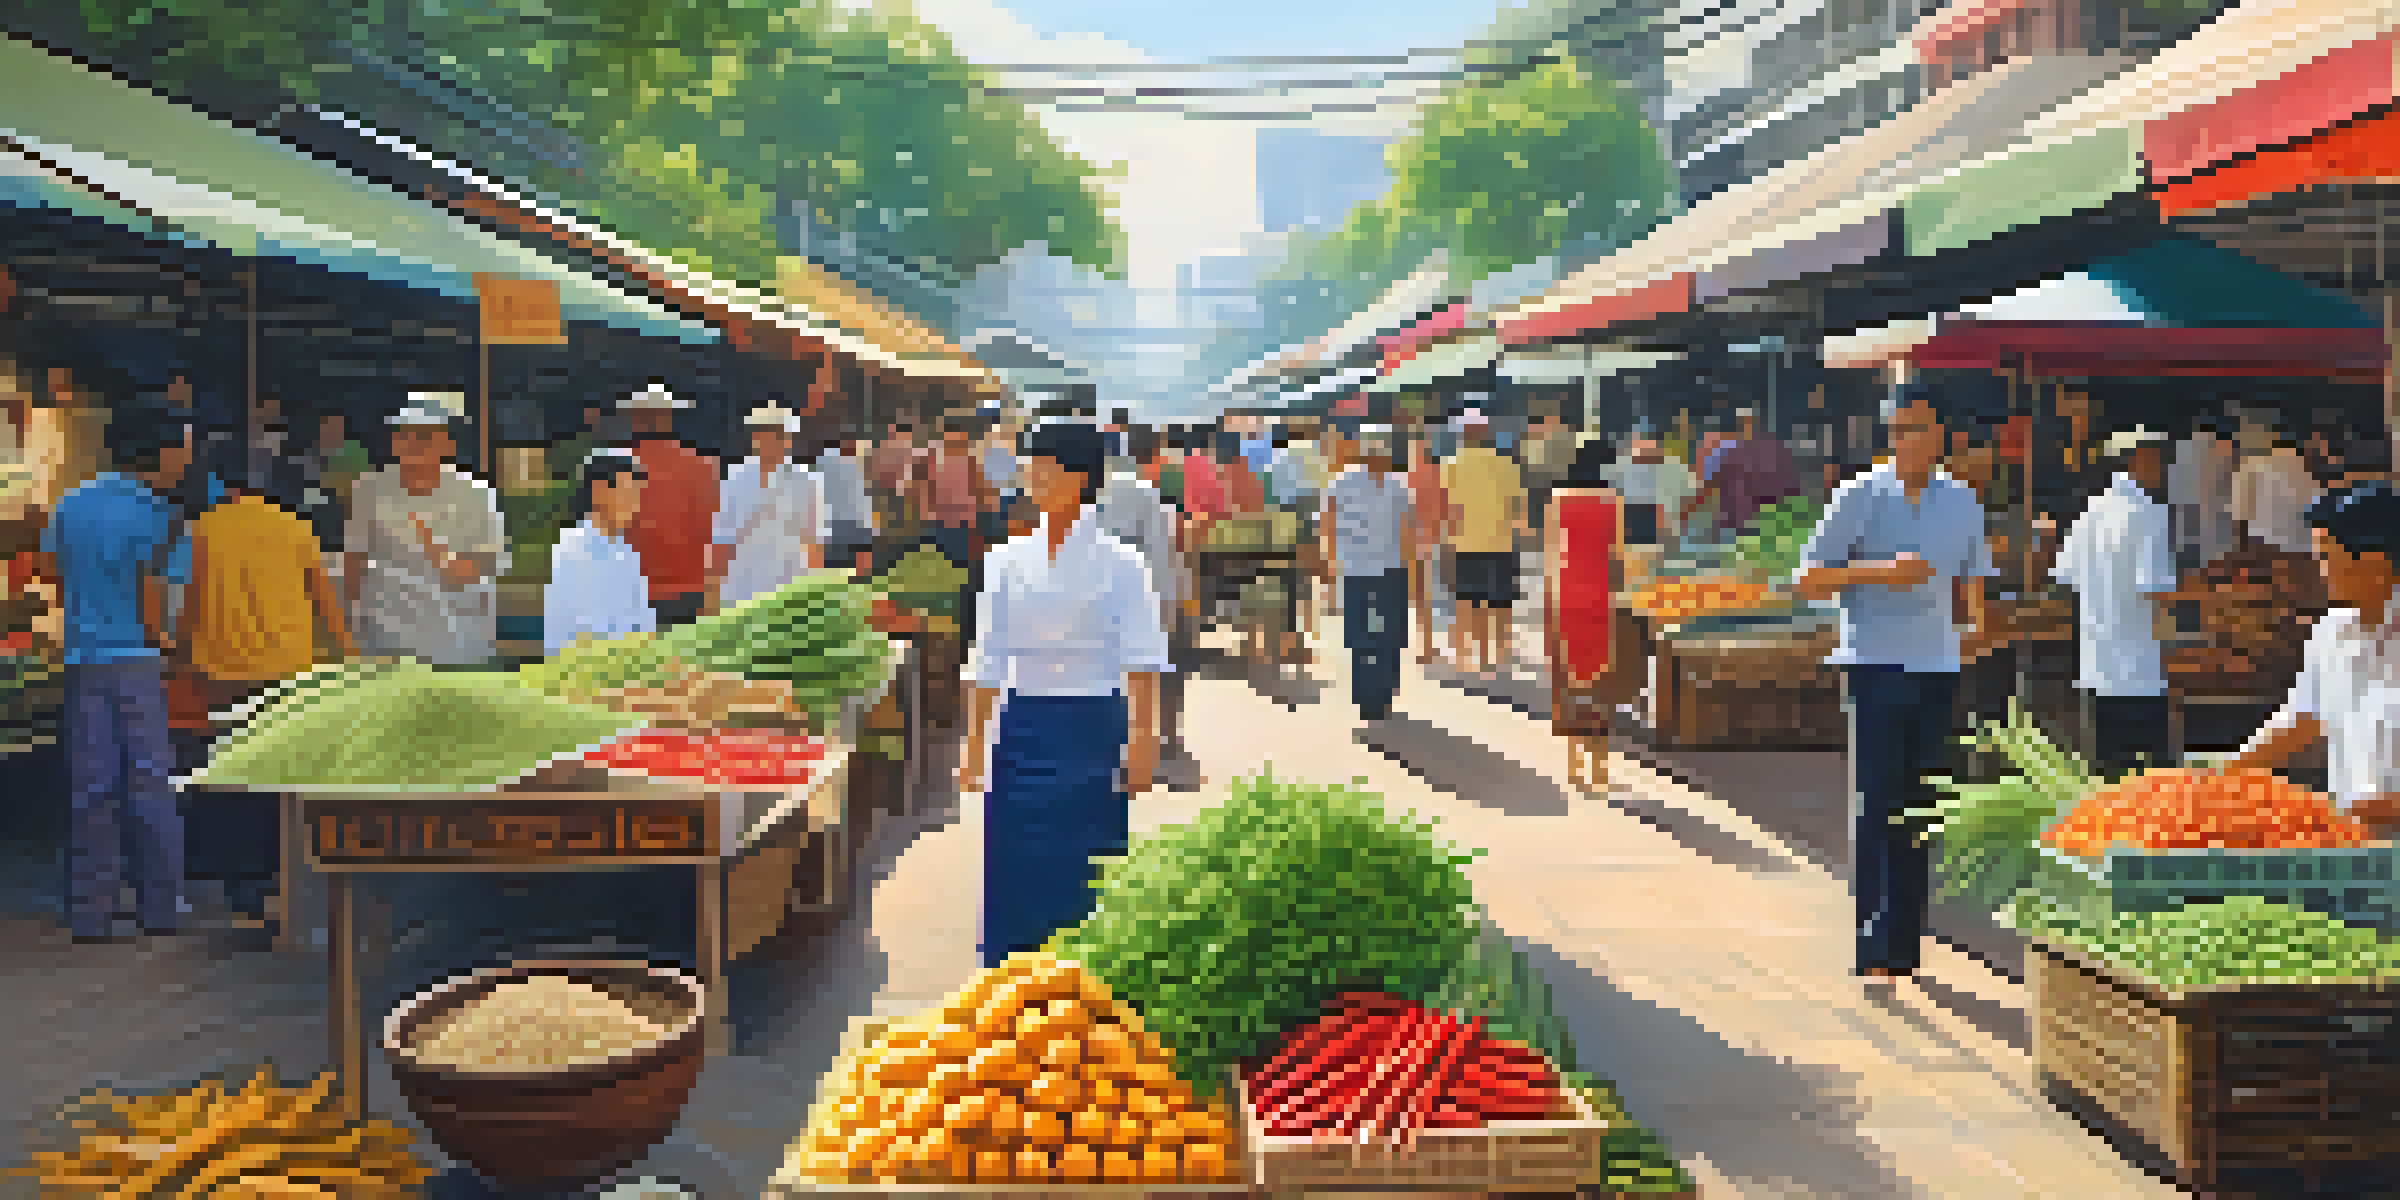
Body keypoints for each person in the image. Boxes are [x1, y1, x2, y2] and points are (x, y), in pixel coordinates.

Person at [1791, 392, 1995, 983]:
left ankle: (1905, 946)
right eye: (1898, 430)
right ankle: (1873, 945)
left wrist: (1976, 628)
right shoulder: (1860, 495)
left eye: (1917, 429)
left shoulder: (1961, 501)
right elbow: (1807, 579)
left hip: (1937, 669)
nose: (1906, 440)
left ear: (1939, 436)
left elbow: (1973, 578)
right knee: (1878, 803)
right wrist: (1879, 572)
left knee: (1920, 809)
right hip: (1875, 665)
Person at [956, 420, 1168, 967]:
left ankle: (1087, 989)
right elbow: (987, 658)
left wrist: (1144, 738)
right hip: (1022, 730)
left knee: (1088, 868)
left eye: (1039, 464)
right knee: (1014, 861)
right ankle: (1010, 990)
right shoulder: (1005, 560)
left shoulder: (1123, 564)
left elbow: (1142, 658)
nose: (1029, 474)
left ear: (1076, 477)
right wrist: (975, 742)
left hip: (1094, 732)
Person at [179, 460, 355, 925]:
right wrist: (349, 654)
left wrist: (181, 656)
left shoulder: (199, 531)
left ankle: (237, 884)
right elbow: (324, 601)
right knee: (275, 779)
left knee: (230, 776)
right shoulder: (294, 530)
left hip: (219, 669)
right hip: (284, 669)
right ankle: (274, 882)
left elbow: (187, 600)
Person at [42, 416, 193, 941]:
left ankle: (90, 907)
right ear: (159, 453)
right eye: (182, 449)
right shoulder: (163, 517)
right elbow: (155, 600)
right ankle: (161, 905)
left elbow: (51, 570)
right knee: (150, 781)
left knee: (90, 781)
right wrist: (167, 644)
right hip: (136, 658)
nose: (186, 461)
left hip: (83, 658)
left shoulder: (72, 501)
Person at [2222, 482, 2400, 833]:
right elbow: (2302, 720)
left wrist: (2379, 811)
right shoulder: (2331, 631)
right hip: (2351, 842)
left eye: (2327, 558)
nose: (2320, 571)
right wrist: (2228, 770)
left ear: (2375, 565)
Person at [344, 401, 508, 666]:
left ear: (447, 445)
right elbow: (354, 561)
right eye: (404, 436)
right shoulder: (369, 490)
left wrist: (437, 552)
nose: (413, 446)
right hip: (386, 644)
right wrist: (350, 629)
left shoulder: (477, 493)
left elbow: (482, 568)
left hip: (459, 645)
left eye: (424, 437)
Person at [2054, 429, 2178, 777]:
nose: (2162, 467)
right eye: (2158, 458)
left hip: (2097, 664)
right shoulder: (2149, 514)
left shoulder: (2090, 511)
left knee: (2107, 778)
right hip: (2138, 667)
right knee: (2153, 781)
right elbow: (2154, 587)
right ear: (2140, 460)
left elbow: (2066, 576)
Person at [1097, 428, 1191, 769]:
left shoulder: (1098, 493)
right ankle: (1167, 739)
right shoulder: (1147, 494)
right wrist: (1179, 600)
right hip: (1154, 594)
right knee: (1165, 670)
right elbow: (1165, 552)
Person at [1321, 426, 1415, 722]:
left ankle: (1379, 692)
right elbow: (1328, 522)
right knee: (1367, 633)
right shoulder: (1345, 484)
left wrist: (1330, 558)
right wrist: (1330, 560)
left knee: (1383, 633)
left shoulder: (1395, 485)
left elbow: (1407, 529)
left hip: (1381, 567)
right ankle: (1372, 694)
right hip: (1365, 568)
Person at [619, 383, 721, 629]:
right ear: (668, 419)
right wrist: (713, 596)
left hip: (634, 591)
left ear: (636, 420)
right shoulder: (702, 467)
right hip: (690, 592)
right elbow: (712, 535)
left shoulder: (617, 465)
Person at [711, 407, 825, 613]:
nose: (773, 441)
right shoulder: (734, 479)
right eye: (767, 432)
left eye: (780, 434)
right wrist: (713, 599)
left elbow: (814, 545)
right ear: (755, 437)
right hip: (741, 595)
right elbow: (721, 543)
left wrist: (815, 598)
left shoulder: (807, 481)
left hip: (789, 594)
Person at [1443, 410, 1528, 676]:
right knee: (1501, 602)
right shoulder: (1506, 464)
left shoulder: (1451, 464)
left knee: (1471, 601)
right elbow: (1519, 508)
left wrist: (1448, 541)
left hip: (1466, 542)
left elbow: (1450, 508)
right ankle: (1500, 654)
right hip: (1501, 541)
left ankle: (1478, 656)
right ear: (1485, 434)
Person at [546, 449, 654, 653]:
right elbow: (583, 632)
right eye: (629, 492)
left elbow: (645, 624)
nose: (636, 504)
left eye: (637, 493)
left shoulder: (626, 552)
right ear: (600, 490)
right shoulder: (572, 549)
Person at [1684, 407, 1801, 538]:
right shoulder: (1733, 451)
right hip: (1751, 519)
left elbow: (1711, 484)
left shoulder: (1736, 452)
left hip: (1747, 520)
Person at [2230, 419, 2321, 557]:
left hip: (2263, 541)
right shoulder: (2291, 457)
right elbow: (2312, 494)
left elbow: (2239, 511)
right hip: (2295, 539)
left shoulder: (2246, 468)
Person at [1599, 428, 1698, 548]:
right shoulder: (1619, 469)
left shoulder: (1673, 469)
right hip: (1633, 529)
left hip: (1664, 531)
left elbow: (1689, 497)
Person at [1408, 436, 1453, 667]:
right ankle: (1427, 645)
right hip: (1434, 543)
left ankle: (1424, 646)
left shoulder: (1405, 477)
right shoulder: (1439, 475)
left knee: (1419, 599)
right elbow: (1447, 509)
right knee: (1434, 597)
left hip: (1411, 545)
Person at [818, 434, 877, 573]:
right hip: (837, 523)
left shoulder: (857, 461)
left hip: (850, 523)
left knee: (849, 569)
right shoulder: (830, 459)